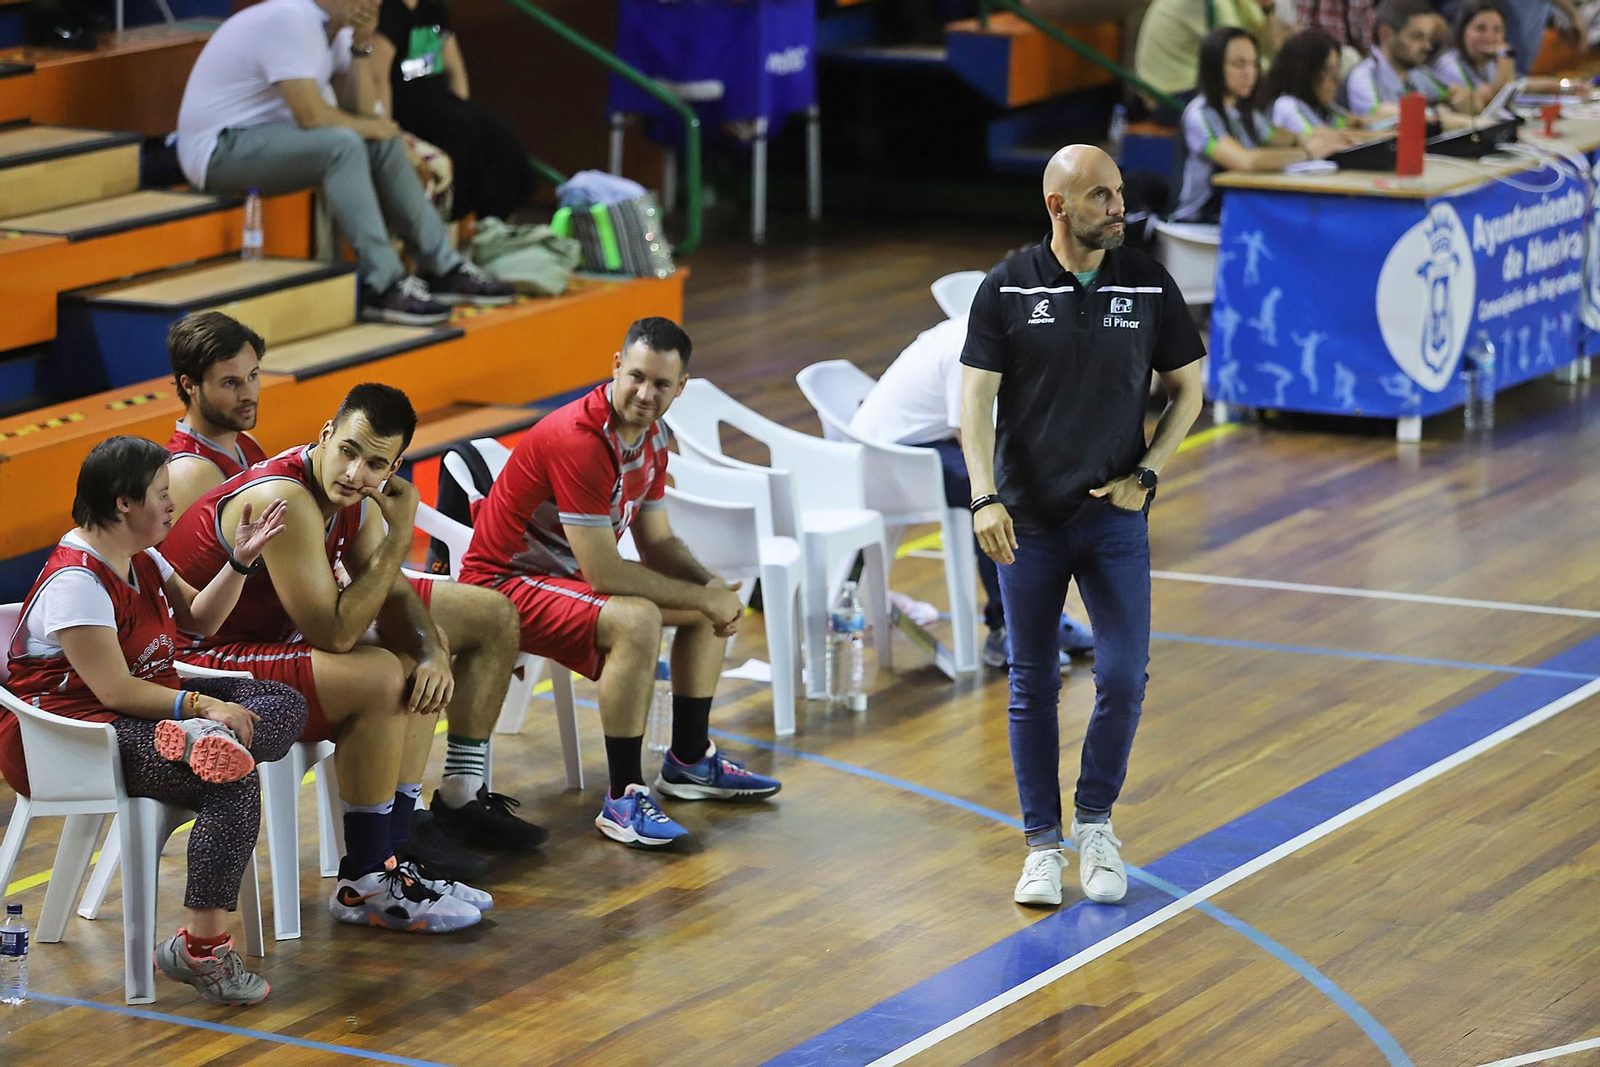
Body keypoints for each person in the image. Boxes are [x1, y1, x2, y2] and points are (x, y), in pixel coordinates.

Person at [162, 384, 535, 931]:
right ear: (326, 435)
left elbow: (395, 595)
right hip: (197, 660)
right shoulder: (284, 498)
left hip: (260, 645)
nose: (356, 472)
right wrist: (400, 536)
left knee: (415, 664)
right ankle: (363, 880)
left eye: (375, 463)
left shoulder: (352, 500)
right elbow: (334, 633)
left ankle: (393, 858)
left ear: (395, 466)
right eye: (349, 451)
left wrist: (432, 652)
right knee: (380, 674)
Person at [960, 145, 1206, 908]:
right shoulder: (1006, 287)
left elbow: (1187, 390)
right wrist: (983, 498)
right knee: (1031, 684)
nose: (1117, 207)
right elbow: (974, 405)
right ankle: (1042, 845)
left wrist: (1150, 472)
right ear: (1058, 206)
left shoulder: (1146, 278)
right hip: (1027, 523)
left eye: (1120, 193)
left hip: (1113, 521)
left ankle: (1094, 822)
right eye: (1100, 196)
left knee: (1125, 675)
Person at [0, 437, 305, 1005]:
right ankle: (202, 949)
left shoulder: (142, 555)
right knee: (230, 781)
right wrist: (201, 706)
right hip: (71, 739)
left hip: (149, 712)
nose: (172, 506)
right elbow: (113, 689)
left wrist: (240, 561)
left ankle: (202, 742)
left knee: (284, 702)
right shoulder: (77, 584)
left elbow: (201, 619)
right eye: (161, 495)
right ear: (122, 503)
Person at [460, 317, 781, 850]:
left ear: (681, 387)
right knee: (639, 618)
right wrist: (703, 595)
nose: (644, 393)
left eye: (660, 384)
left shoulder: (654, 437)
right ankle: (624, 796)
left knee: (707, 604)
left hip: (560, 581)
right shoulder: (580, 440)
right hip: (503, 584)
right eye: (635, 377)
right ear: (615, 367)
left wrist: (710, 587)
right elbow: (604, 573)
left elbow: (657, 541)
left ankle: (689, 761)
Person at [175, 0, 515, 326]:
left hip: (270, 140)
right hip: (217, 149)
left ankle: (441, 266)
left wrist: (361, 47)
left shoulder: (338, 29)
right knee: (343, 144)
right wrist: (374, 126)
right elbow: (311, 116)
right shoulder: (292, 19)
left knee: (378, 141)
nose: (376, 3)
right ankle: (381, 283)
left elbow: (364, 112)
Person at [846, 307, 1095, 671]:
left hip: (926, 444)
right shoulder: (973, 348)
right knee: (999, 496)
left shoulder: (1008, 333)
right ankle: (1007, 629)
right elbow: (973, 436)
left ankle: (1043, 618)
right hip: (888, 461)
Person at [372, 0, 534, 222]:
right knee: (460, 131)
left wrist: (463, 107)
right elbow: (378, 77)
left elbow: (455, 67)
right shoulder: (389, 11)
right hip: (408, 105)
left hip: (441, 100)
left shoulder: (434, 8)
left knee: (500, 134)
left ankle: (499, 217)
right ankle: (460, 215)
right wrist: (386, 124)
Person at [1172, 27, 1350, 223]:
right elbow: (1246, 161)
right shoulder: (1200, 115)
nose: (1250, 73)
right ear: (1214, 66)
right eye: (1239, 64)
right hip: (1196, 224)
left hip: (1233, 213)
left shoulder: (1244, 112)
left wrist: (1316, 138)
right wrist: (1307, 154)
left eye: (1254, 64)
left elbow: (1283, 137)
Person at [165, 312, 270, 518]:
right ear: (190, 385)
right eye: (230, 383)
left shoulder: (245, 441)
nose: (248, 395)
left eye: (253, 376)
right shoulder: (187, 473)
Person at [1135, 0, 1294, 100]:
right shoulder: (1212, 4)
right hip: (1167, 94)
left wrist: (1268, 9)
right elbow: (1241, 54)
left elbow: (1271, 44)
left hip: (1195, 82)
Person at [1345, 0, 1467, 114]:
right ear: (1385, 34)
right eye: (1417, 37)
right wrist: (1438, 116)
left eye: (1428, 38)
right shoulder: (1364, 76)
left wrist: (1466, 98)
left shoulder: (1419, 73)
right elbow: (1376, 118)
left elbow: (1454, 94)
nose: (1427, 46)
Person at [1264, 28, 1371, 132]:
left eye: (1337, 69)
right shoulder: (1286, 105)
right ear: (1305, 73)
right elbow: (1323, 141)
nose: (1337, 79)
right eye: (1329, 70)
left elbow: (1356, 123)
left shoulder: (1324, 107)